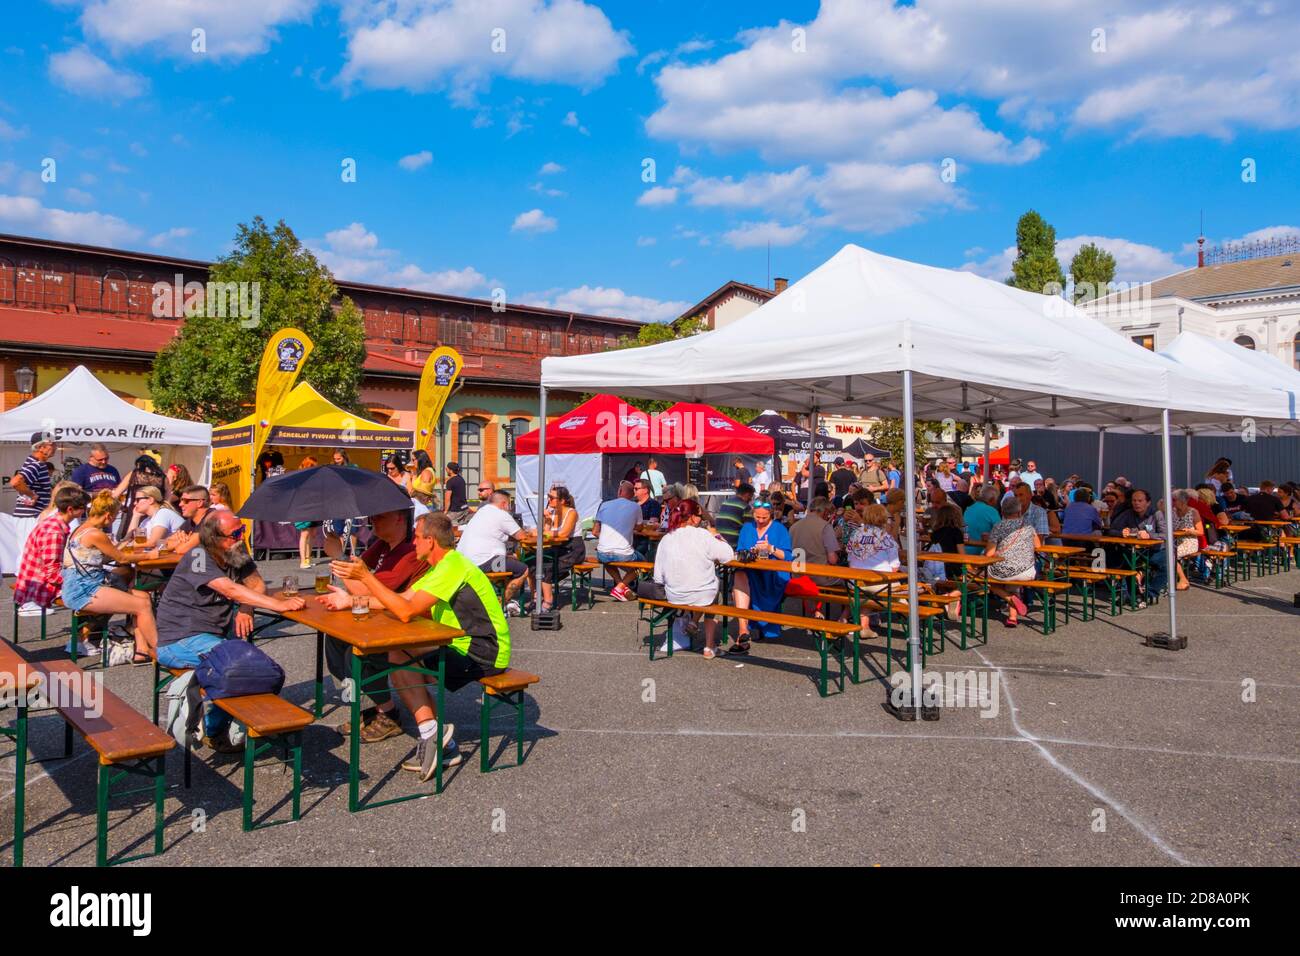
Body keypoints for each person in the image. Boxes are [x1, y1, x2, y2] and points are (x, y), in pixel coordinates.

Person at [332, 513, 512, 778]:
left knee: (399, 656)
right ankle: (441, 741)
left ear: (430, 541)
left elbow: (405, 611)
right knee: (400, 654)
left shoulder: (452, 566)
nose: (413, 542)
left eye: (416, 537)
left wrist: (366, 579)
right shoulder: (442, 567)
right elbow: (401, 598)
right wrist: (352, 602)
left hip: (483, 652)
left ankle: (432, 735)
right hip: (463, 644)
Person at [154, 511, 305, 752]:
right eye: (234, 533)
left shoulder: (235, 553)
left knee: (251, 668)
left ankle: (220, 729)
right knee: (242, 669)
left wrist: (247, 607)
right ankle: (212, 728)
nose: (241, 537)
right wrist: (279, 605)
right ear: (213, 538)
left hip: (214, 638)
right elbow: (228, 589)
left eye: (242, 530)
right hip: (179, 640)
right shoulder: (198, 557)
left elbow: (256, 584)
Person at [315, 507, 427, 741]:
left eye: (379, 515)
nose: (371, 519)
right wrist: (346, 565)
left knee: (357, 654)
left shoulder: (410, 551)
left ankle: (388, 713)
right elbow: (358, 574)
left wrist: (338, 556)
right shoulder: (384, 544)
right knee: (335, 638)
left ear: (399, 518)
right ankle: (367, 707)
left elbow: (362, 588)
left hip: (411, 628)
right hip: (384, 618)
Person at [60, 491, 158, 663]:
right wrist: (150, 556)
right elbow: (121, 558)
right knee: (141, 605)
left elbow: (106, 556)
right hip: (83, 589)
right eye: (115, 516)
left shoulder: (80, 529)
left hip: (79, 583)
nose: (114, 520)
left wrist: (127, 540)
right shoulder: (95, 534)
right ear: (108, 515)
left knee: (143, 596)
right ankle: (161, 651)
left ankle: (141, 651)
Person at [651, 498, 735, 659]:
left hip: (674, 595)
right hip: (702, 595)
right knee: (712, 591)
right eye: (700, 516)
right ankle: (709, 647)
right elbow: (728, 555)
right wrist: (716, 535)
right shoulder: (703, 535)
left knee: (697, 584)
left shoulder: (667, 538)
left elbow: (658, 577)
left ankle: (693, 621)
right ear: (694, 517)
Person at [14, 485, 87, 616]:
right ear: (70, 509)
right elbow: (52, 573)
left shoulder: (53, 521)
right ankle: (86, 633)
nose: (85, 511)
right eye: (83, 508)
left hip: (34, 578)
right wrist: (79, 579)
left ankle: (88, 632)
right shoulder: (54, 531)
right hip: (38, 586)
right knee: (97, 592)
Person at [730, 499, 795, 647]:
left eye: (764, 518)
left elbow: (789, 557)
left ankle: (750, 627)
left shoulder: (779, 529)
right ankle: (743, 629)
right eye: (757, 517)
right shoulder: (747, 528)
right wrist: (751, 552)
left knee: (740, 583)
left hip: (773, 575)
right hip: (752, 572)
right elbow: (740, 552)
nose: (760, 520)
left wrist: (770, 548)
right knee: (739, 575)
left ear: (771, 515)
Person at [457, 490, 531, 613]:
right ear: (504, 504)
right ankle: (501, 604)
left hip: (465, 561)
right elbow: (522, 536)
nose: (510, 507)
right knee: (523, 569)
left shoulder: (482, 511)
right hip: (484, 562)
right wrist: (531, 532)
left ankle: (498, 597)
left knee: (511, 561)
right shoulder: (502, 514)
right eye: (509, 504)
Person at [985, 498, 1040, 627]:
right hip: (1026, 572)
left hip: (1003, 571)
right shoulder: (1028, 526)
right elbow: (1038, 546)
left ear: (1002, 512)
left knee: (982, 579)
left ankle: (1009, 599)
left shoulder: (998, 526)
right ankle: (1012, 617)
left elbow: (989, 554)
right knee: (1013, 580)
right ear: (1019, 511)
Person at [789, 496, 841, 615]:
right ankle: (844, 617)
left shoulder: (793, 527)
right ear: (825, 512)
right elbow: (833, 559)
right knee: (850, 584)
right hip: (820, 577)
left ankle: (814, 610)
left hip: (797, 575)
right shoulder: (825, 526)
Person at [593, 481, 643, 601]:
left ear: (619, 491)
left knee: (607, 559)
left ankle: (620, 585)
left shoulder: (604, 504)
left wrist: (608, 537)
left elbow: (595, 532)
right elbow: (640, 528)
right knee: (643, 564)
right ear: (632, 494)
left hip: (603, 553)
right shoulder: (636, 507)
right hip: (623, 553)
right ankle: (620, 587)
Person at [538, 485, 584, 613]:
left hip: (573, 549)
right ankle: (536, 597)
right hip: (559, 548)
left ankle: (547, 602)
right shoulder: (552, 513)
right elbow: (546, 532)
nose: (549, 500)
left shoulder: (571, 512)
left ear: (562, 501)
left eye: (552, 497)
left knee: (546, 567)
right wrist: (546, 519)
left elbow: (564, 533)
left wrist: (542, 533)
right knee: (533, 562)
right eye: (548, 497)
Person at [1120, 489, 1167, 607]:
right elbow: (1113, 529)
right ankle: (1130, 595)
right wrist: (1122, 532)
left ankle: (1149, 593)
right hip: (1137, 550)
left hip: (1157, 549)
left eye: (1140, 500)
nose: (1136, 503)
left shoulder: (1156, 514)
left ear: (1148, 502)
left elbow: (1165, 534)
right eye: (1134, 500)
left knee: (1166, 565)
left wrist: (1149, 535)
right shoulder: (1128, 513)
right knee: (1124, 561)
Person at [11, 433, 55, 519]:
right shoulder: (36, 464)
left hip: (30, 516)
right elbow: (15, 482)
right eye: (52, 444)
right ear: (40, 448)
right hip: (30, 518)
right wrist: (33, 496)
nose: (55, 446)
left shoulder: (38, 463)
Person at [293, 455, 322, 569]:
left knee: (313, 533)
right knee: (304, 533)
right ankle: (302, 561)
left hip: (315, 506)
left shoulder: (316, 477)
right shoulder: (300, 476)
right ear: (308, 465)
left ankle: (308, 558)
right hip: (303, 507)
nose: (316, 467)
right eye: (314, 465)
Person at [165, 485, 212, 555]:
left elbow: (181, 549)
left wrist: (182, 541)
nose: (180, 504)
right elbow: (166, 544)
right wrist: (185, 540)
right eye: (181, 500)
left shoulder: (211, 518)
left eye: (185, 501)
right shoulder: (191, 521)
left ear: (200, 503)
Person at [1170, 490, 1202, 590]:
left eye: (1175, 500)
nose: (1173, 502)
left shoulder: (1193, 512)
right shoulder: (1172, 511)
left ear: (1182, 501)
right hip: (1174, 541)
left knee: (1171, 555)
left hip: (1189, 542)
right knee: (1164, 553)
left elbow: (1200, 532)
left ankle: (1183, 579)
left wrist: (1188, 531)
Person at [963, 483, 1003, 555]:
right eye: (996, 499)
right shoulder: (991, 511)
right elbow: (1001, 532)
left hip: (965, 550)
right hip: (981, 553)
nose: (997, 502)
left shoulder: (968, 509)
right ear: (992, 499)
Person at [714, 483, 755, 547]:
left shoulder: (725, 502)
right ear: (747, 494)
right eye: (751, 496)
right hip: (733, 544)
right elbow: (750, 528)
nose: (751, 499)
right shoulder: (745, 506)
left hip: (719, 541)